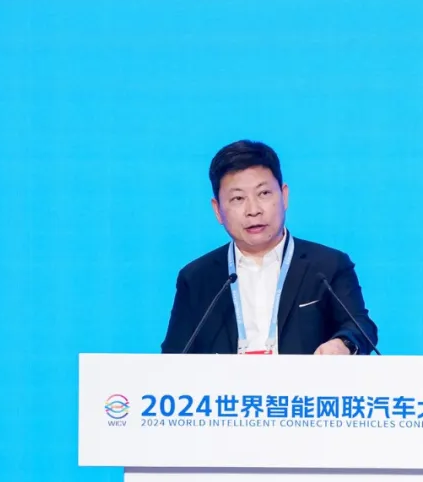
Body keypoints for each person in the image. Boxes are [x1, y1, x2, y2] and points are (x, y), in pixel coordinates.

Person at [160, 140, 379, 356]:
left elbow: (359, 326)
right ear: (217, 210)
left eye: (264, 193)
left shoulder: (327, 266)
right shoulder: (197, 278)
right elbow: (173, 355)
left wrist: (342, 344)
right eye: (238, 198)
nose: (253, 210)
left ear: (284, 196)